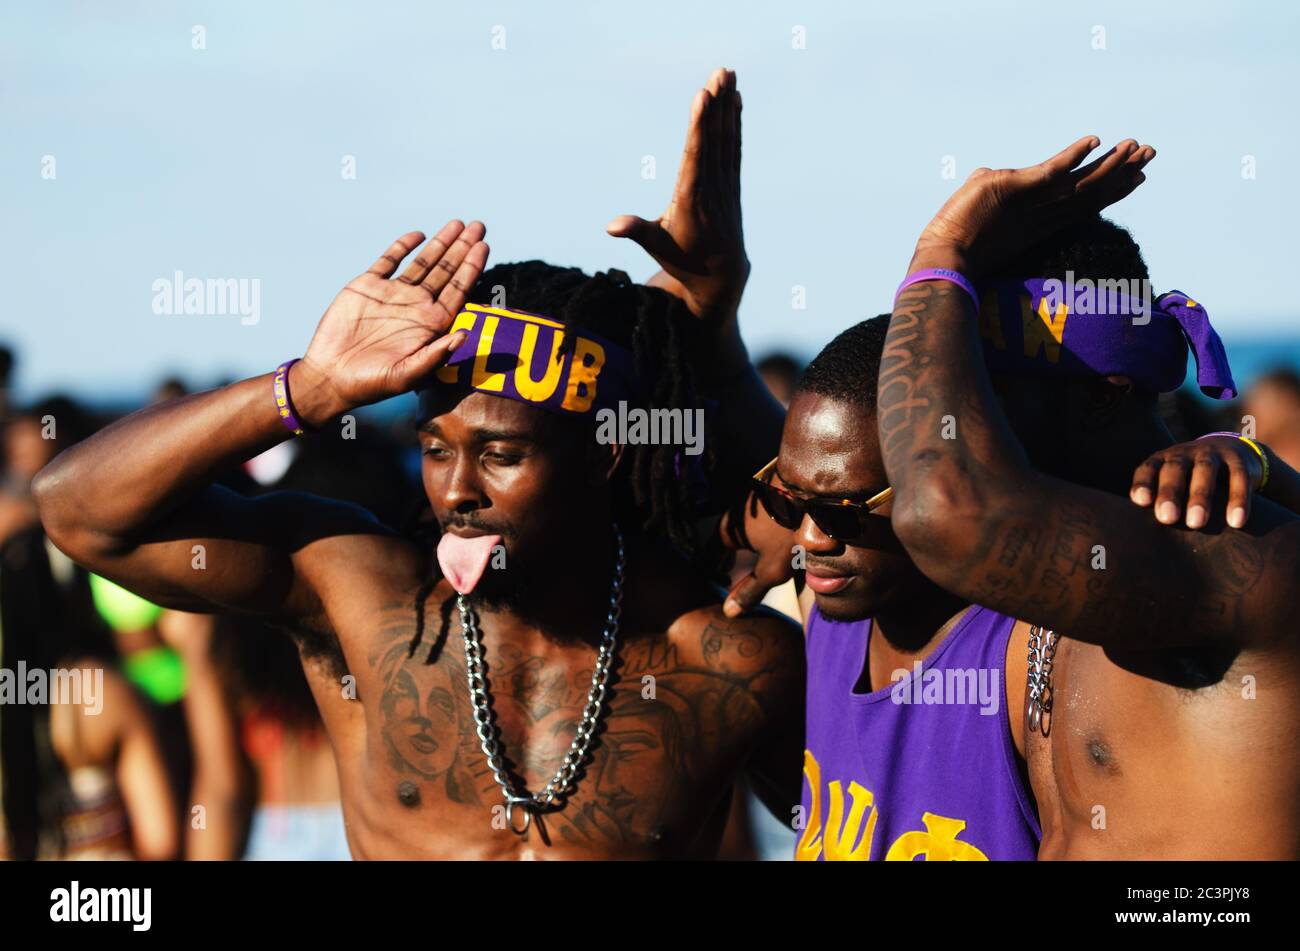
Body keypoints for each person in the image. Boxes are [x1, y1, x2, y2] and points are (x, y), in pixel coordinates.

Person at [34, 185, 804, 858]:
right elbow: (78, 509)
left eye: (501, 452)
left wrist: (715, 338)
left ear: (602, 457)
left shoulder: (722, 658)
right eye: (436, 449)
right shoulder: (363, 598)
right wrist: (308, 388)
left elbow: (878, 811)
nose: (457, 489)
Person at [878, 136, 1300, 858]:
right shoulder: (1070, 565)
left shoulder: (1211, 542)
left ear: (1104, 398)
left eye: (990, 395)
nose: (965, 427)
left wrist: (942, 249)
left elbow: (940, 510)